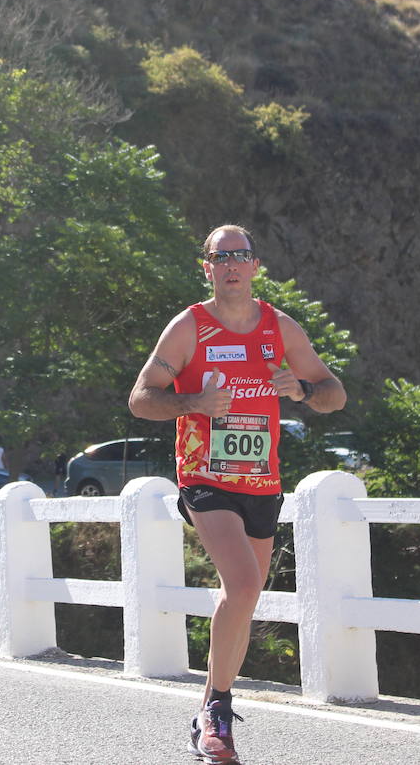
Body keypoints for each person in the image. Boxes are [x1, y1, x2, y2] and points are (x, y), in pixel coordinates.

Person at [128, 224, 346, 764]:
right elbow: (139, 399)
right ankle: (219, 713)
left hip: (261, 481)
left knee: (243, 598)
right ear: (207, 267)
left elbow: (335, 395)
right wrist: (194, 403)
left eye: (240, 256)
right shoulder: (189, 328)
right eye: (219, 257)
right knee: (245, 581)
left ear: (254, 265)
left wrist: (303, 390)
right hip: (204, 475)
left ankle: (206, 712)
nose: (230, 265)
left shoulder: (279, 327)